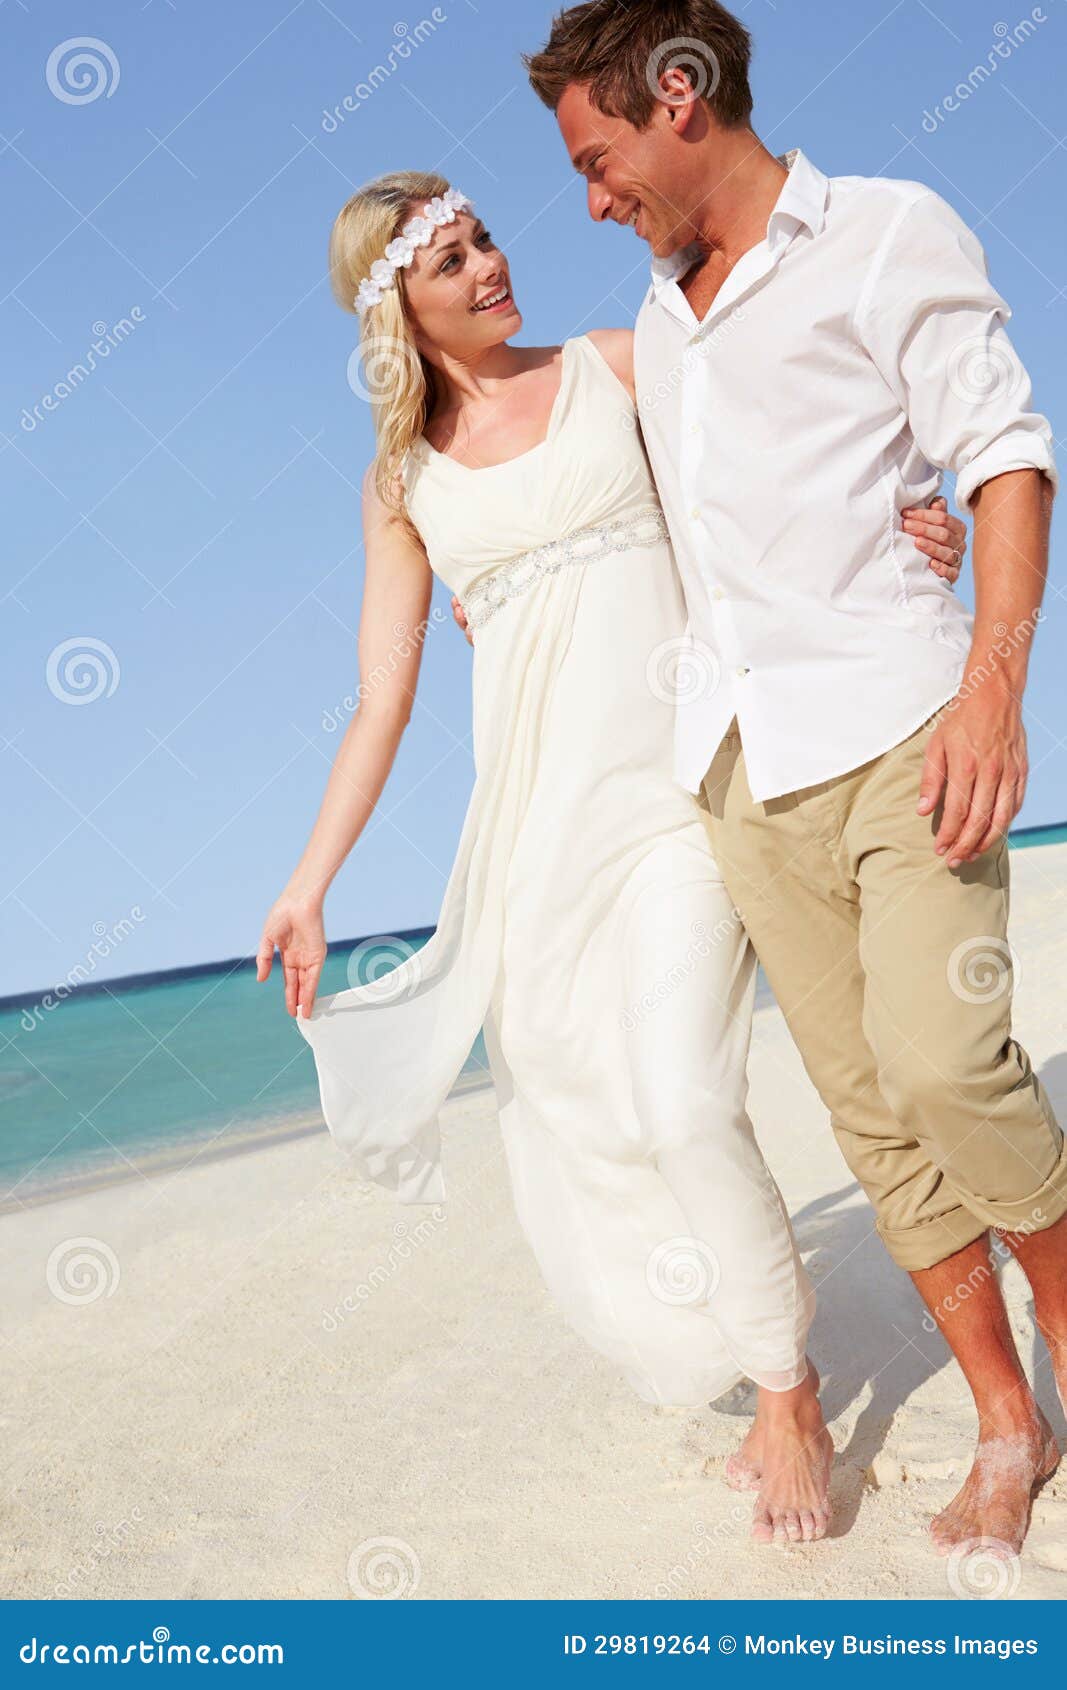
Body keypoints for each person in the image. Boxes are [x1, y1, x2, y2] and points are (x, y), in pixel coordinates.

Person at [256, 173, 968, 1546]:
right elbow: (382, 699)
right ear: (395, 309)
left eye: (481, 237)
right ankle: (751, 1322)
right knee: (589, 1112)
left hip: (680, 804)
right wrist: (309, 881)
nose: (486, 263)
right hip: (538, 837)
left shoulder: (615, 367)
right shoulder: (400, 483)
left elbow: (782, 451)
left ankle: (788, 1389)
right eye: (447, 259)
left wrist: (907, 506)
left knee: (688, 1100)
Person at [522, 0, 1065, 1561]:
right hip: (739, 774)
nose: (592, 196)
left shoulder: (886, 233)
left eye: (599, 155)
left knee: (951, 1064)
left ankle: (1064, 1306)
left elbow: (1006, 455)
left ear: (680, 97)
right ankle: (1007, 1422)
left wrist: (993, 684)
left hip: (907, 727)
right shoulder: (662, 329)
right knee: (877, 1127)